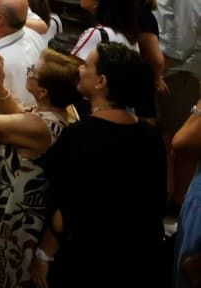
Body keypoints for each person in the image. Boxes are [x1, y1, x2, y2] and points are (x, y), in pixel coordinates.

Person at [34, 42, 167, 286]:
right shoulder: (151, 137)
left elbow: (65, 209)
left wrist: (44, 253)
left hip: (88, 263)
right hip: (139, 262)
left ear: (101, 82)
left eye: (86, 65)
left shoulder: (80, 137)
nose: (80, 69)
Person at [0, 48, 80, 287]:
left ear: (43, 90)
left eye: (33, 71)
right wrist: (1, 89)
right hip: (3, 215)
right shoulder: (51, 115)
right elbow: (20, 115)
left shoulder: (40, 127)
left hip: (8, 226)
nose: (29, 72)